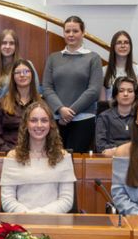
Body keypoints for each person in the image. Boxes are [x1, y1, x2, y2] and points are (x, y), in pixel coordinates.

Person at [0, 101, 75, 213]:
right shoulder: (12, 157)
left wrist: (41, 214)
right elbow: (7, 200)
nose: (39, 125)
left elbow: (66, 200)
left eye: (44, 120)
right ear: (26, 124)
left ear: (51, 124)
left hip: (54, 223)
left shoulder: (63, 157)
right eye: (34, 120)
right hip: (21, 223)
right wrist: (28, 215)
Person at [42, 16, 103, 154]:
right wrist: (61, 110)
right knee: (54, 161)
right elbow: (47, 87)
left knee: (76, 163)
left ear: (83, 33)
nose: (71, 34)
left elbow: (94, 90)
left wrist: (70, 113)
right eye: (67, 31)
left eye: (75, 31)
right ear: (63, 33)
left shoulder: (93, 58)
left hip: (84, 119)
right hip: (56, 119)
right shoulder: (53, 58)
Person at [0, 59, 38, 152]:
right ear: (13, 77)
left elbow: (50, 135)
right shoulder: (1, 104)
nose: (22, 75)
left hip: (35, 155)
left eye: (26, 71)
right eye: (18, 72)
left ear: (32, 75)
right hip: (9, 154)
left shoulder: (41, 104)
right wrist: (10, 152)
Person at [0, 28, 36, 106]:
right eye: (4, 43)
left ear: (16, 46)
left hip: (23, 111)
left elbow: (35, 91)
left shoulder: (27, 66)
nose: (7, 46)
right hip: (0, 113)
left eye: (11, 43)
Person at [101, 30, 138, 108]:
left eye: (126, 42)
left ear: (130, 46)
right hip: (109, 114)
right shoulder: (103, 71)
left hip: (132, 114)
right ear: (113, 46)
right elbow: (102, 102)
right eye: (119, 42)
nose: (123, 45)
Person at [95, 77, 138, 156]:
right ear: (115, 94)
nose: (125, 94)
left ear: (135, 95)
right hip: (110, 160)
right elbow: (100, 147)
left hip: (136, 158)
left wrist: (115, 147)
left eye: (130, 91)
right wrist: (130, 146)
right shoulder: (104, 117)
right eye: (121, 91)